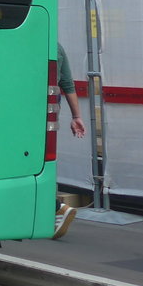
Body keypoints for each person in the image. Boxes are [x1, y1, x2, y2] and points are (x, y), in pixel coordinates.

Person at [54, 43, 86, 238]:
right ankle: (53, 209)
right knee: (44, 160)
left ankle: (55, 208)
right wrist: (76, 116)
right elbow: (67, 83)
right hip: (50, 106)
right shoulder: (56, 45)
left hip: (26, 106)